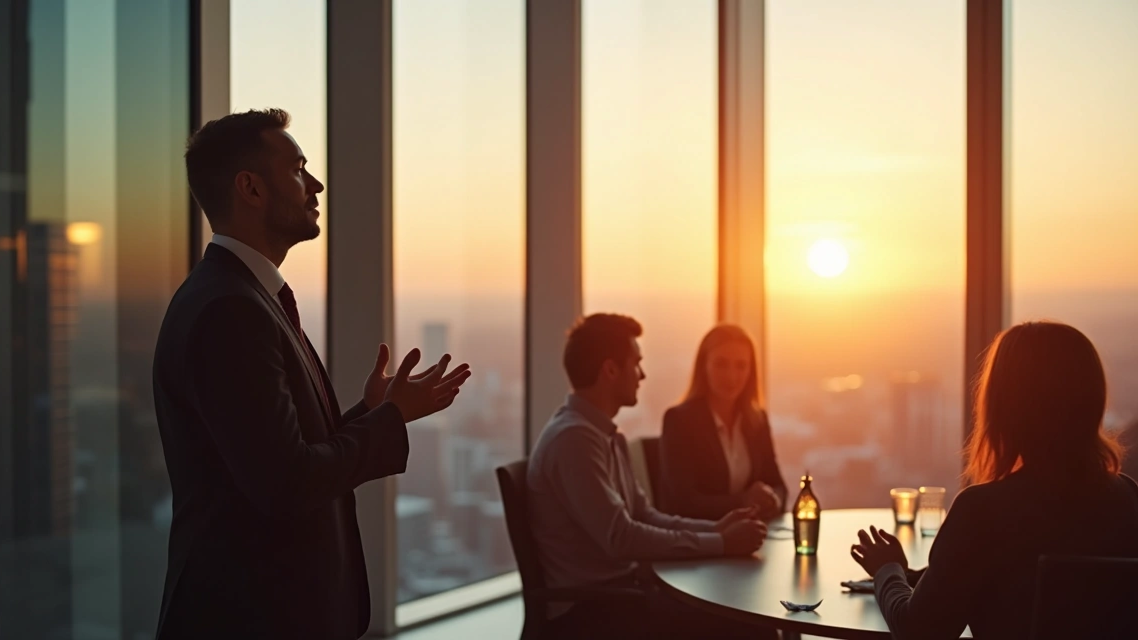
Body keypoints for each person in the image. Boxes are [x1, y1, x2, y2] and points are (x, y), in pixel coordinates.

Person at [152, 109, 470, 639]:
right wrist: (389, 418)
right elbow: (287, 483)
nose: (316, 184)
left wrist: (371, 413)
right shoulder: (230, 311)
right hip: (254, 618)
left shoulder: (239, 298)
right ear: (250, 188)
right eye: (298, 168)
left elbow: (276, 455)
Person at [850, 321, 1138, 639]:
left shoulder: (982, 511)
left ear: (1004, 407)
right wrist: (921, 576)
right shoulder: (1127, 498)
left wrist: (886, 570)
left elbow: (919, 631)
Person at [527, 314, 774, 639]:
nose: (642, 375)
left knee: (748, 614)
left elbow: (645, 515)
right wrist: (721, 542)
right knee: (749, 624)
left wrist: (717, 528)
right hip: (594, 611)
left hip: (627, 593)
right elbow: (622, 538)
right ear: (611, 370)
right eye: (637, 364)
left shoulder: (605, 435)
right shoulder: (574, 439)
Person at [660, 325, 787, 521]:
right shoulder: (679, 421)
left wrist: (772, 500)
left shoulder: (757, 419)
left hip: (752, 537)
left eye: (741, 366)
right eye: (721, 364)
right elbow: (683, 503)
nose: (731, 376)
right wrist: (743, 501)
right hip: (703, 542)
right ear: (704, 366)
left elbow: (778, 486)